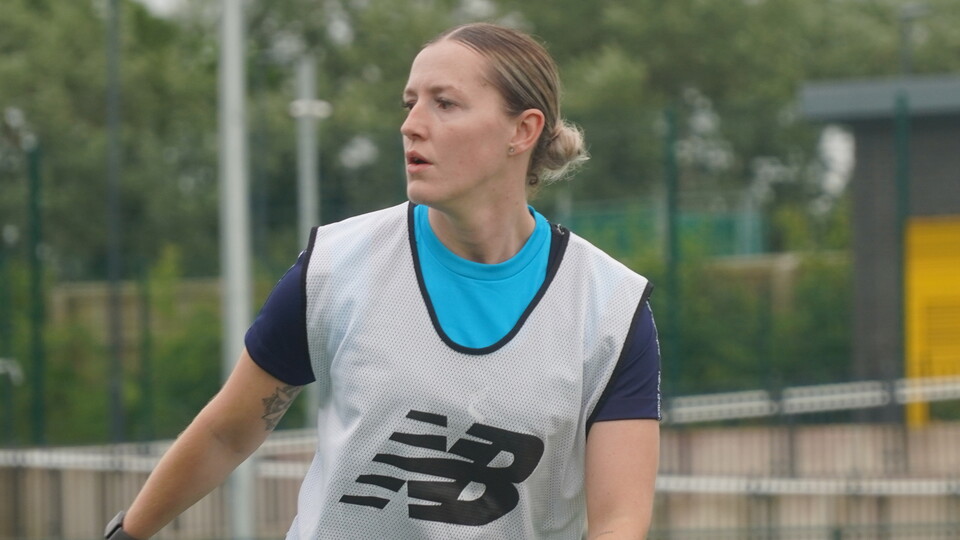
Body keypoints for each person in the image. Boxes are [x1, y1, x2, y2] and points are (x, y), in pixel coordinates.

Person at [106, 22, 661, 540]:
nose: (411, 123)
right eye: (410, 102)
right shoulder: (336, 267)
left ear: (523, 130)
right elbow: (228, 433)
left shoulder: (609, 309)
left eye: (444, 103)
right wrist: (125, 533)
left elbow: (619, 519)